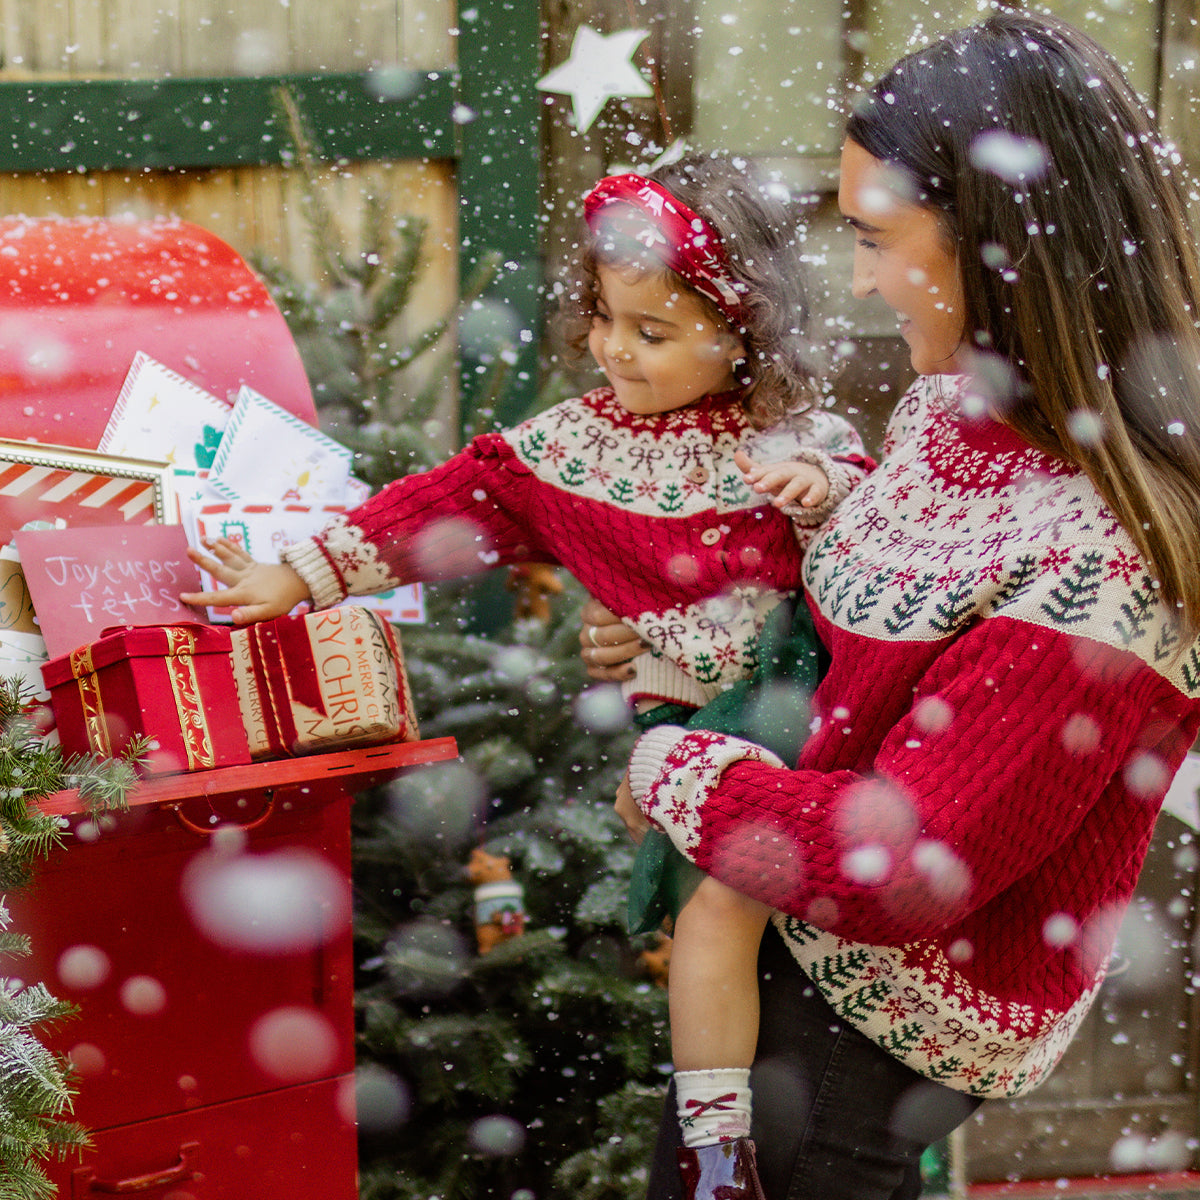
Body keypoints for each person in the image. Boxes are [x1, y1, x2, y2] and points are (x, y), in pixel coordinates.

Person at [585, 11, 1200, 1200]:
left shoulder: (1106, 554)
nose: (860, 276)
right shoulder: (952, 415)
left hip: (850, 1055)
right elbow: (867, 615)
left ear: (997, 242)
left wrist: (678, 772)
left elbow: (902, 868)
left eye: (876, 237)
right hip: (777, 969)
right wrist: (689, 630)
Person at [179, 154, 869, 1181]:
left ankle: (760, 1113)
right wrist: (296, 576)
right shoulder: (571, 451)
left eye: (655, 331)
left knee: (774, 926)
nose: (617, 352)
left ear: (745, 330)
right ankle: (717, 1151)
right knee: (717, 912)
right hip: (695, 732)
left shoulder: (799, 437)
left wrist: (812, 486)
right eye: (604, 319)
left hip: (816, 718)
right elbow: (444, 507)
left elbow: (871, 542)